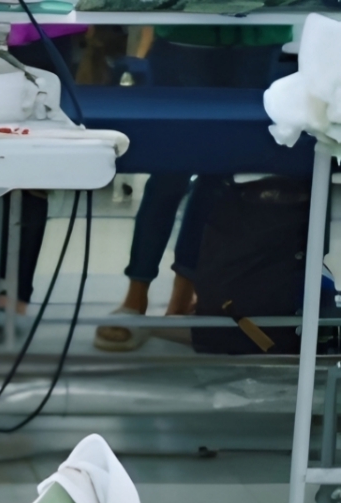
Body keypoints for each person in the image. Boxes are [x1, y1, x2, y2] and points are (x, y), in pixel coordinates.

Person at [96, 25, 293, 352]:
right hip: (184, 41)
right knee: (168, 173)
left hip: (258, 42)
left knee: (219, 178)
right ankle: (135, 298)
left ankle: (182, 300)